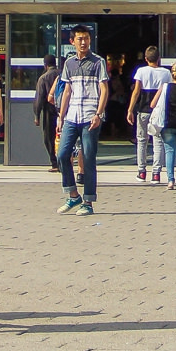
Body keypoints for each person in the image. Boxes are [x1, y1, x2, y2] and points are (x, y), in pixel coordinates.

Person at [53, 26, 110, 216]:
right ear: (72, 41)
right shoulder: (69, 64)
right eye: (79, 39)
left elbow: (104, 89)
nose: (83, 42)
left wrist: (98, 114)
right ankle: (73, 194)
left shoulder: (98, 62)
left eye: (86, 38)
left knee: (88, 158)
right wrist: (61, 116)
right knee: (62, 155)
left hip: (89, 117)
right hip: (71, 116)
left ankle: (88, 201)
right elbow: (67, 91)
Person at [128, 46, 171, 183]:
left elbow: (136, 92)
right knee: (158, 141)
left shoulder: (141, 71)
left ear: (146, 59)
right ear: (159, 58)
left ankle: (141, 171)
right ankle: (156, 173)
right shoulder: (166, 73)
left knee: (141, 140)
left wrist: (130, 109)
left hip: (143, 108)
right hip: (158, 110)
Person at [34, 55, 61, 172]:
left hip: (49, 111)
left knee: (49, 138)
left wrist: (37, 115)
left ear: (45, 65)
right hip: (63, 111)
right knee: (62, 136)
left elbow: (39, 98)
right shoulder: (62, 74)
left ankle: (54, 163)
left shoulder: (43, 78)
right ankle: (63, 161)